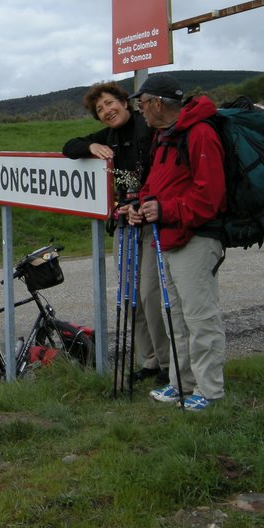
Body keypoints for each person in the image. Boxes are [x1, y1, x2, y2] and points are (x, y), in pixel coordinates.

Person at [124, 73, 227, 412]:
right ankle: (182, 384)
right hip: (168, 236)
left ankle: (210, 392)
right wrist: (140, 204)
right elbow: (157, 183)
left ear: (155, 103)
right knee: (176, 318)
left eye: (142, 104)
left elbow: (209, 196)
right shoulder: (166, 137)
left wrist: (164, 208)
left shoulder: (200, 133)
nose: (141, 111)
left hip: (197, 239)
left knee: (200, 318)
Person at [63, 81, 170, 386]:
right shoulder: (108, 136)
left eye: (110, 103)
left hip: (152, 221)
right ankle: (147, 361)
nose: (107, 111)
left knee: (150, 296)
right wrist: (89, 146)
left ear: (125, 102)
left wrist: (142, 202)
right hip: (124, 224)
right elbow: (68, 146)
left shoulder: (147, 127)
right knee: (130, 295)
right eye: (100, 109)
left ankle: (166, 362)